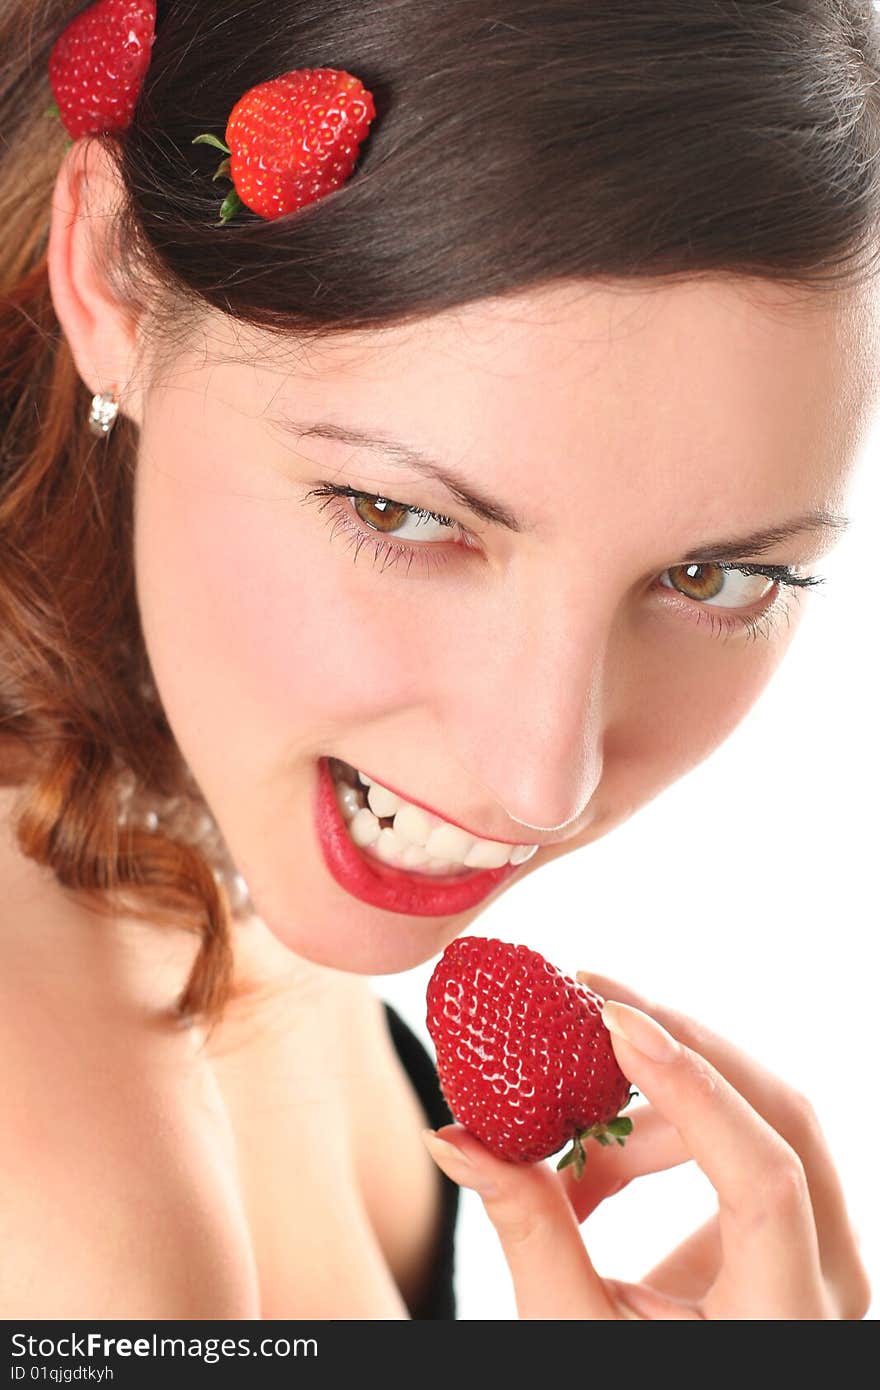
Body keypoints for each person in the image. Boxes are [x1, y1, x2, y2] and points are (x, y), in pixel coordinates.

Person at [0, 0, 875, 1322]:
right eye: (404, 515)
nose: (541, 779)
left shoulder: (168, 795)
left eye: (714, 578)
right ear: (112, 272)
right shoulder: (68, 1221)